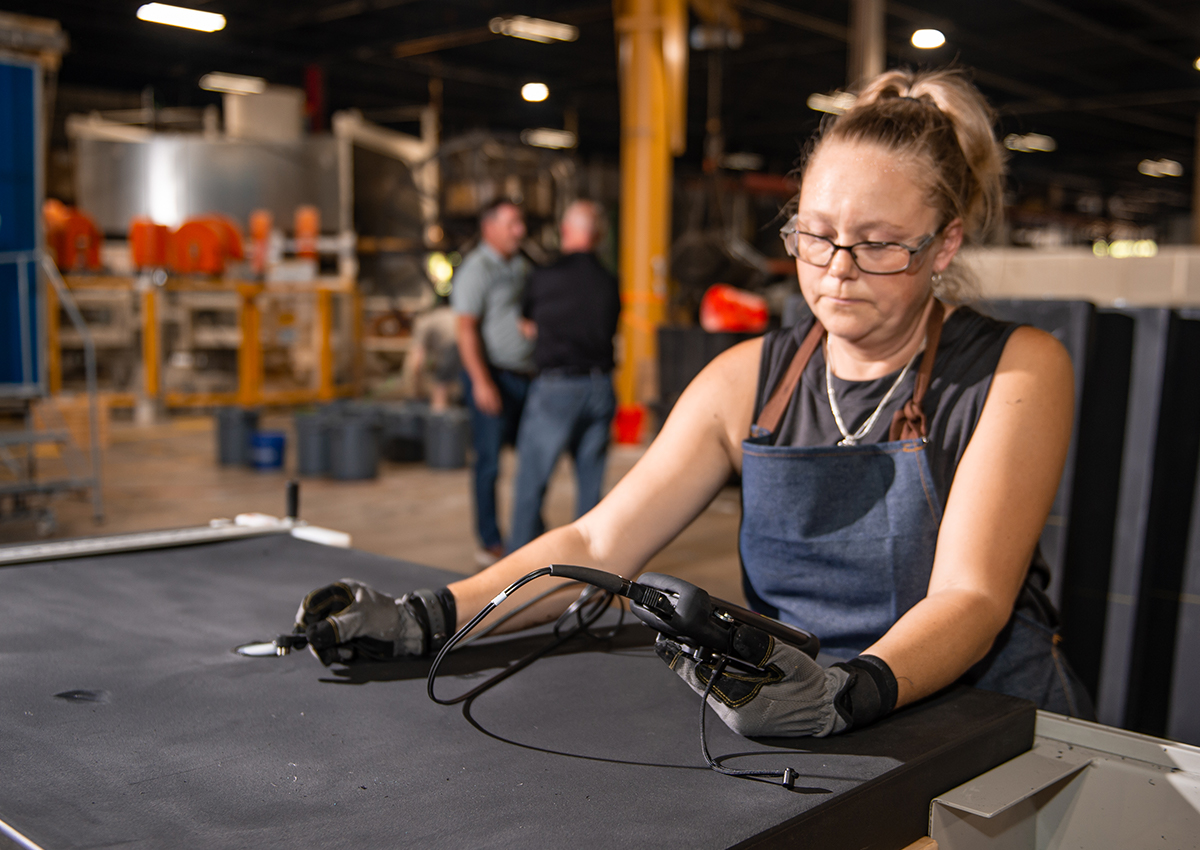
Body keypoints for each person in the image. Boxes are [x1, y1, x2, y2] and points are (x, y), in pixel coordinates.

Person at [296, 68, 1094, 738]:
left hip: (988, 725)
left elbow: (972, 597)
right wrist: (426, 618)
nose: (837, 270)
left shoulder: (1016, 371)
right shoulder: (745, 379)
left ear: (944, 244)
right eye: (815, 236)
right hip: (812, 719)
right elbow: (598, 538)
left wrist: (849, 693)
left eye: (879, 243)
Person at [509, 201, 620, 550]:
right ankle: (587, 574)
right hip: (600, 386)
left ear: (565, 231)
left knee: (531, 483)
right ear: (598, 235)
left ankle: (515, 572)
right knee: (590, 489)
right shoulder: (608, 280)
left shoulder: (545, 275)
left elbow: (527, 325)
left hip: (557, 389)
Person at [451, 199, 535, 566]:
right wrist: (482, 382)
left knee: (534, 458)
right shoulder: (476, 270)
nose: (520, 231)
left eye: (521, 223)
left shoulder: (519, 266)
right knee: (488, 463)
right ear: (490, 228)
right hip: (490, 376)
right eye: (512, 224)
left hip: (523, 377)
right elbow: (465, 330)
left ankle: (529, 531)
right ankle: (489, 541)